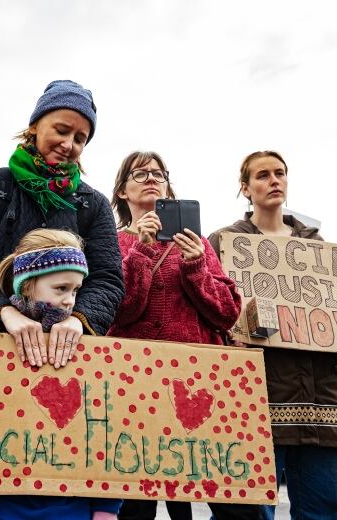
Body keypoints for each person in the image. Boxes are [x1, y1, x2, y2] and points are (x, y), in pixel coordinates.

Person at [109, 151, 261, 520]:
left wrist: (195, 266)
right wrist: (142, 251)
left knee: (227, 499)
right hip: (136, 387)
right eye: (139, 173)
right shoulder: (112, 243)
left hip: (197, 386)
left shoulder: (196, 243)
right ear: (123, 192)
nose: (151, 178)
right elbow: (120, 311)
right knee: (135, 501)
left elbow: (226, 313)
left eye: (158, 174)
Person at [208, 150, 337, 520]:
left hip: (320, 399)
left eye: (280, 173)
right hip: (253, 393)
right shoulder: (224, 242)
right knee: (246, 512)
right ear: (245, 188)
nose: (274, 180)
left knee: (327, 511)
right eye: (262, 175)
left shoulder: (319, 248)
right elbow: (208, 308)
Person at [0, 79, 124, 370]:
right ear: (35, 126)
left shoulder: (95, 205)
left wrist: (79, 319)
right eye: (62, 131)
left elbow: (108, 280)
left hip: (66, 356)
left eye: (80, 138)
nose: (68, 145)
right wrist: (4, 313)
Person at [0, 228, 121, 520]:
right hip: (6, 511)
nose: (70, 300)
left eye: (75, 290)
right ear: (26, 286)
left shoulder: (93, 353)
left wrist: (105, 511)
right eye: (60, 289)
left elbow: (105, 434)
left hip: (75, 512)